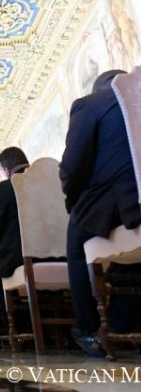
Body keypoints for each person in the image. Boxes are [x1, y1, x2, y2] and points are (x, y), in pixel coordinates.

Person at [60, 69, 141, 356]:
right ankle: (123, 321)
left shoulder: (91, 104)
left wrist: (73, 203)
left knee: (76, 240)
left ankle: (89, 330)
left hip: (122, 202)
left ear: (99, 88)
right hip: (132, 207)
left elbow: (72, 169)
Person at [0, 148, 29, 315]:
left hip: (19, 257)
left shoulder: (3, 188)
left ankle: (19, 323)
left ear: (7, 170)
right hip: (61, 256)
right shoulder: (52, 182)